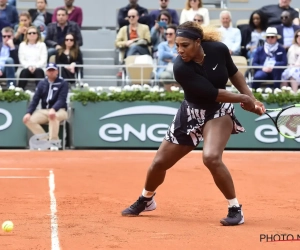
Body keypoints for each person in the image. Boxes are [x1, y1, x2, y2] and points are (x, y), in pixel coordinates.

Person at [121, 21, 266, 226]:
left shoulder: (218, 50)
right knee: (159, 163)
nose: (179, 50)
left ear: (198, 42)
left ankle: (235, 209)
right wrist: (245, 100)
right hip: (191, 113)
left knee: (211, 157)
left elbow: (234, 74)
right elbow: (214, 94)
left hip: (218, 113)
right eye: (177, 45)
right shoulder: (180, 68)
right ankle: (146, 199)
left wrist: (251, 97)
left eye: (185, 45)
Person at [23, 63, 69, 151]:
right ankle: (44, 142)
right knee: (28, 120)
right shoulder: (42, 83)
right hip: (44, 110)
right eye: (49, 70)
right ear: (46, 72)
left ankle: (54, 143)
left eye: (53, 70)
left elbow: (62, 99)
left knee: (53, 116)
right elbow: (35, 99)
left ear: (57, 71)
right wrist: (29, 113)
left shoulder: (63, 83)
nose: (51, 72)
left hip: (60, 110)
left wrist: (53, 109)